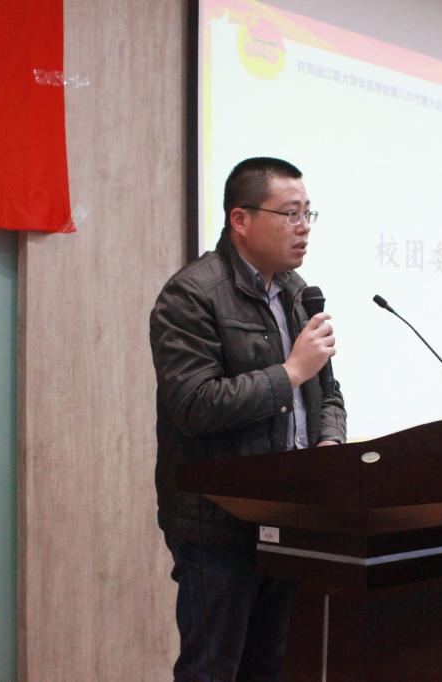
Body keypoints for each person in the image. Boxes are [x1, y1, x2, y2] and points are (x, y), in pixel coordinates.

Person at [150, 157, 347, 681]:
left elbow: (328, 391)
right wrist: (289, 373)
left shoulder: (298, 293)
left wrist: (329, 444)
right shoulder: (192, 294)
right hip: (219, 525)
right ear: (241, 219)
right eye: (290, 213)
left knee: (274, 668)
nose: (304, 226)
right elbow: (193, 404)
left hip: (291, 518)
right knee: (213, 669)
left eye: (308, 213)